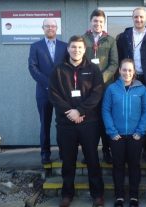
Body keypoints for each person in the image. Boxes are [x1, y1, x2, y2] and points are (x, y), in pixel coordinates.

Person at [48, 36, 104, 207]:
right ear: (68, 49)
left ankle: (97, 195)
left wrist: (79, 110)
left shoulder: (93, 69)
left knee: (93, 160)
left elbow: (97, 93)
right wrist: (70, 112)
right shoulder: (58, 69)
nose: (76, 50)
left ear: (84, 49)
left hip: (89, 122)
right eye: (73, 47)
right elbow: (53, 94)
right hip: (66, 123)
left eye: (80, 47)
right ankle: (67, 195)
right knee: (68, 161)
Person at [102, 58, 146, 207]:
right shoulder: (111, 89)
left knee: (134, 166)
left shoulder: (142, 89)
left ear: (134, 71)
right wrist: (112, 131)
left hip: (135, 136)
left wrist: (140, 131)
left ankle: (134, 197)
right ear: (119, 70)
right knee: (118, 166)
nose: (127, 73)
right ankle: (119, 197)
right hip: (117, 136)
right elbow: (105, 110)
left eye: (130, 70)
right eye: (124, 70)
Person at [117, 7, 146, 161]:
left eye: (141, 17)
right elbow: (120, 57)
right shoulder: (123, 37)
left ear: (145, 18)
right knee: (129, 112)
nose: (139, 20)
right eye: (136, 17)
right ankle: (129, 148)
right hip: (129, 78)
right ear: (132, 18)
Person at [28, 18, 67, 164]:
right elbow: (32, 68)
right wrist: (48, 84)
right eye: (47, 26)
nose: (50, 28)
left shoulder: (65, 46)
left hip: (61, 93)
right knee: (45, 123)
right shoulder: (35, 46)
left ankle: (64, 152)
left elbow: (68, 67)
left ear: (57, 28)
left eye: (53, 26)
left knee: (62, 123)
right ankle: (45, 154)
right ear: (42, 28)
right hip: (43, 92)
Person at [83, 9, 119, 164]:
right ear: (91, 22)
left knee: (105, 120)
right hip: (87, 88)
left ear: (104, 23)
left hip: (105, 87)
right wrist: (89, 81)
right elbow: (80, 61)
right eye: (95, 21)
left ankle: (106, 151)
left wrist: (101, 79)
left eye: (100, 22)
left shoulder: (110, 40)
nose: (97, 24)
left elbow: (114, 63)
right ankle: (89, 153)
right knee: (89, 122)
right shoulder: (83, 39)